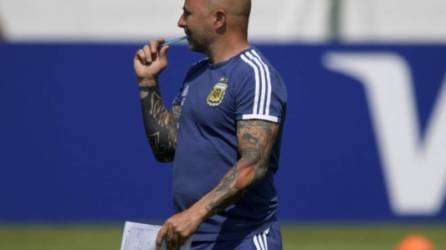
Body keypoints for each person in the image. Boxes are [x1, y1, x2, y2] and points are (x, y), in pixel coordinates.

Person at [133, 0, 287, 249]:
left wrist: (194, 214)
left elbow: (253, 165)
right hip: (191, 240)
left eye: (187, 13)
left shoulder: (255, 75)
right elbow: (167, 149)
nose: (180, 22)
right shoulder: (196, 74)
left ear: (218, 19)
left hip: (241, 241)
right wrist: (147, 82)